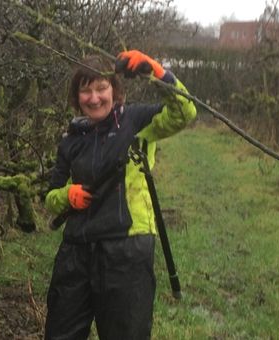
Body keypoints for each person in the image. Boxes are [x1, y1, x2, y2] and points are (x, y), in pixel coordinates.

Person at [42, 50, 197, 339]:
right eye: (86, 91)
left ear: (115, 89)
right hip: (76, 250)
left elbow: (184, 113)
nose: (95, 98)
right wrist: (68, 194)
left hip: (126, 249)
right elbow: (50, 196)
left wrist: (158, 73)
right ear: (77, 98)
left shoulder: (137, 121)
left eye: (101, 88)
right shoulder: (71, 141)